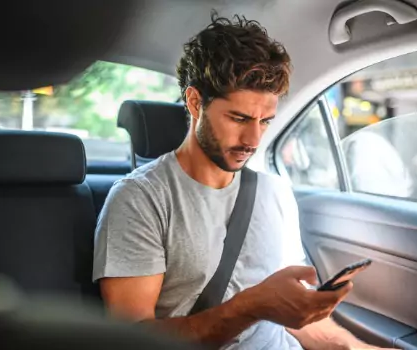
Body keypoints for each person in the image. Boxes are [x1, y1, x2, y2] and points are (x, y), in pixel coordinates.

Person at [93, 12, 396, 350]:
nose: (253, 139)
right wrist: (252, 306)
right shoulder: (140, 199)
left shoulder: (275, 191)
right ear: (195, 103)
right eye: (239, 118)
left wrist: (362, 349)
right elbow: (133, 341)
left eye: (265, 121)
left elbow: (303, 322)